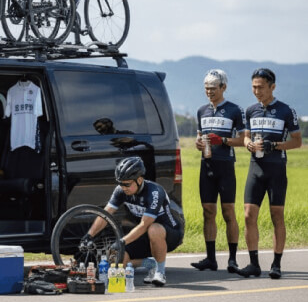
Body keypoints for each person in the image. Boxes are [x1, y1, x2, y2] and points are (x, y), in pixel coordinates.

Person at [82, 156, 184, 287]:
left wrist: (122, 241)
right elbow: (105, 215)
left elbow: (144, 225)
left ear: (139, 180)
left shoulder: (154, 192)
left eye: (127, 184)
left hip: (169, 233)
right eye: (121, 183)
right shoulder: (121, 190)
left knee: (153, 228)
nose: (123, 187)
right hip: (144, 236)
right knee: (117, 256)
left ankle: (160, 272)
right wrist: (89, 235)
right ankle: (150, 263)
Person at [239, 68, 301, 279]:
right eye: (254, 87)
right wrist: (248, 144)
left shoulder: (286, 110)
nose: (257, 91)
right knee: (248, 215)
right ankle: (254, 264)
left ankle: (276, 264)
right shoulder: (250, 110)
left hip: (276, 170)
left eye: (261, 87)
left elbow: (297, 141)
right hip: (255, 168)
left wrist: (274, 145)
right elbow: (246, 137)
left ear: (272, 87)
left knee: (277, 216)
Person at [191, 69, 245, 273]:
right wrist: (198, 143)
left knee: (228, 212)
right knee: (208, 212)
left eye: (213, 88)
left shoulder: (235, 110)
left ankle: (232, 259)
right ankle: (211, 259)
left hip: (225, 166)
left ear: (223, 87)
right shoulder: (201, 111)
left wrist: (222, 140)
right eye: (206, 88)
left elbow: (243, 139)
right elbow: (199, 137)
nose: (209, 92)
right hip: (206, 166)